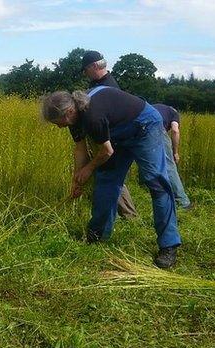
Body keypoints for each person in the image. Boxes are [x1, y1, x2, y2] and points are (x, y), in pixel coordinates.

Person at [41, 86, 182, 268]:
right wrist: (77, 179)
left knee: (156, 182)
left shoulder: (93, 116)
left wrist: (89, 169)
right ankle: (97, 235)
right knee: (106, 181)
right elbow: (80, 149)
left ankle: (168, 245)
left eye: (58, 121)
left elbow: (106, 151)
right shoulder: (74, 119)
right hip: (118, 135)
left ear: (69, 111)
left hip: (145, 126)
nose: (59, 126)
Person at [81, 50, 138, 219]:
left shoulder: (107, 87)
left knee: (110, 175)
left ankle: (129, 216)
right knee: (110, 176)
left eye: (85, 69)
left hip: (111, 139)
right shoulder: (105, 83)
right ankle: (126, 215)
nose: (85, 74)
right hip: (110, 137)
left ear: (94, 66)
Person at [152, 103, 192, 209]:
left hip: (135, 125)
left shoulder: (155, 107)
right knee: (169, 166)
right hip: (155, 127)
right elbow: (175, 130)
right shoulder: (174, 113)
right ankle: (183, 202)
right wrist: (175, 152)